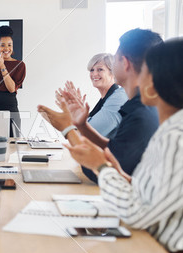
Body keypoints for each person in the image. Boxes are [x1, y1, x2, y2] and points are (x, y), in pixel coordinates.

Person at [64, 38, 183, 253]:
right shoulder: (167, 130)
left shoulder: (175, 138)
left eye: (146, 72)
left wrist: (102, 166)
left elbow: (137, 212)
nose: (138, 81)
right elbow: (147, 192)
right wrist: (117, 172)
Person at [38, 28, 162, 183]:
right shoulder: (145, 105)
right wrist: (81, 124)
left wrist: (67, 128)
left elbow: (112, 175)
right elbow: (113, 148)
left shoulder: (140, 113)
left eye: (115, 59)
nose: (94, 74)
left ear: (125, 63)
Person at [64, 53, 128, 139]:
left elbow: (86, 136)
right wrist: (79, 113)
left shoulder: (116, 100)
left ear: (113, 72)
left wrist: (64, 121)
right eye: (92, 70)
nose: (94, 74)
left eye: (100, 69)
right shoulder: (104, 100)